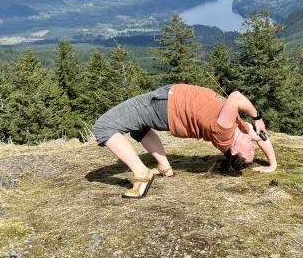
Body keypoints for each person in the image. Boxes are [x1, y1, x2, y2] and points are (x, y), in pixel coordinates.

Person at [92, 84, 277, 199]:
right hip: (169, 107)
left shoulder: (225, 130)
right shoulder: (240, 133)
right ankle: (164, 167)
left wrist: (257, 116)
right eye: (253, 150)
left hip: (165, 104)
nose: (253, 147)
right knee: (139, 128)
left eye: (249, 150)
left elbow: (236, 96)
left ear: (234, 149)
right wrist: (272, 165)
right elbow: (262, 136)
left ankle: (141, 174)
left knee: (104, 126)